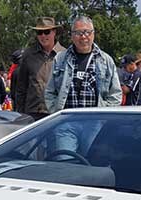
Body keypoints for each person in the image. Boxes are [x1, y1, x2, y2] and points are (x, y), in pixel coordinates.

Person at [45, 15, 121, 153]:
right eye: (78, 33)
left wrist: (104, 116)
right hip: (66, 122)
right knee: (65, 161)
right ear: (72, 36)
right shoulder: (60, 59)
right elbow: (50, 91)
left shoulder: (106, 60)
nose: (83, 36)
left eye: (87, 32)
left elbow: (115, 94)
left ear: (93, 34)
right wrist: (56, 112)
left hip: (95, 123)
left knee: (92, 162)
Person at [15, 16, 65, 120]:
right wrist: (20, 113)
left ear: (54, 32)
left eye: (46, 32)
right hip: (33, 112)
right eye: (39, 33)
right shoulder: (28, 55)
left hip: (57, 113)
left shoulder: (65, 55)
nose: (43, 36)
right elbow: (21, 88)